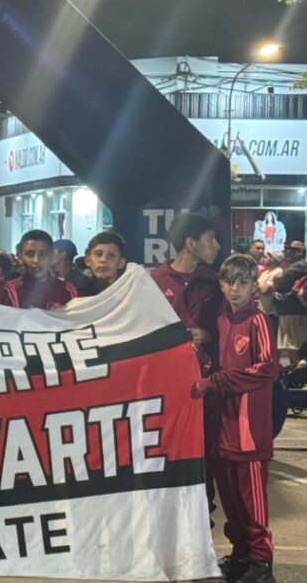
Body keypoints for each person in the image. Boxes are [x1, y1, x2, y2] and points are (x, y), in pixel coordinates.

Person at [191, 254, 278, 583]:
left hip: (249, 431)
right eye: (229, 282)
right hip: (223, 429)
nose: (235, 289)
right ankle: (241, 554)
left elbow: (267, 369)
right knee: (231, 498)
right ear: (222, 284)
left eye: (243, 283)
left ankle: (262, 560)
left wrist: (217, 381)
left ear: (254, 286)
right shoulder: (222, 320)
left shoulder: (258, 320)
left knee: (252, 501)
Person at [150, 213, 223, 375]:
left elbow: (225, 325)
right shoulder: (154, 281)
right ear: (190, 243)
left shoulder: (215, 282)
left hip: (205, 375)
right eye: (210, 239)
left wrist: (207, 335)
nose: (217, 246)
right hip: (164, 371)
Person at [259, 240, 307, 367]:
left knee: (296, 347)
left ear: (300, 253)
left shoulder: (301, 265)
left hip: (296, 312)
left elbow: (280, 280)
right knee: (289, 347)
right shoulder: (292, 266)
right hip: (288, 312)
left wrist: (276, 281)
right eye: (288, 250)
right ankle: (296, 377)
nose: (288, 253)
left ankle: (301, 378)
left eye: (292, 251)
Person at [8, 230, 77, 309]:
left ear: (52, 256)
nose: (36, 260)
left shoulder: (66, 290)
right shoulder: (10, 290)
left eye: (43, 254)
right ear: (20, 257)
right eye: (29, 254)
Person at [78, 232, 127, 297]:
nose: (103, 260)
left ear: (121, 263)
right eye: (98, 254)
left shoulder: (129, 293)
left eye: (111, 256)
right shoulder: (76, 295)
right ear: (88, 260)